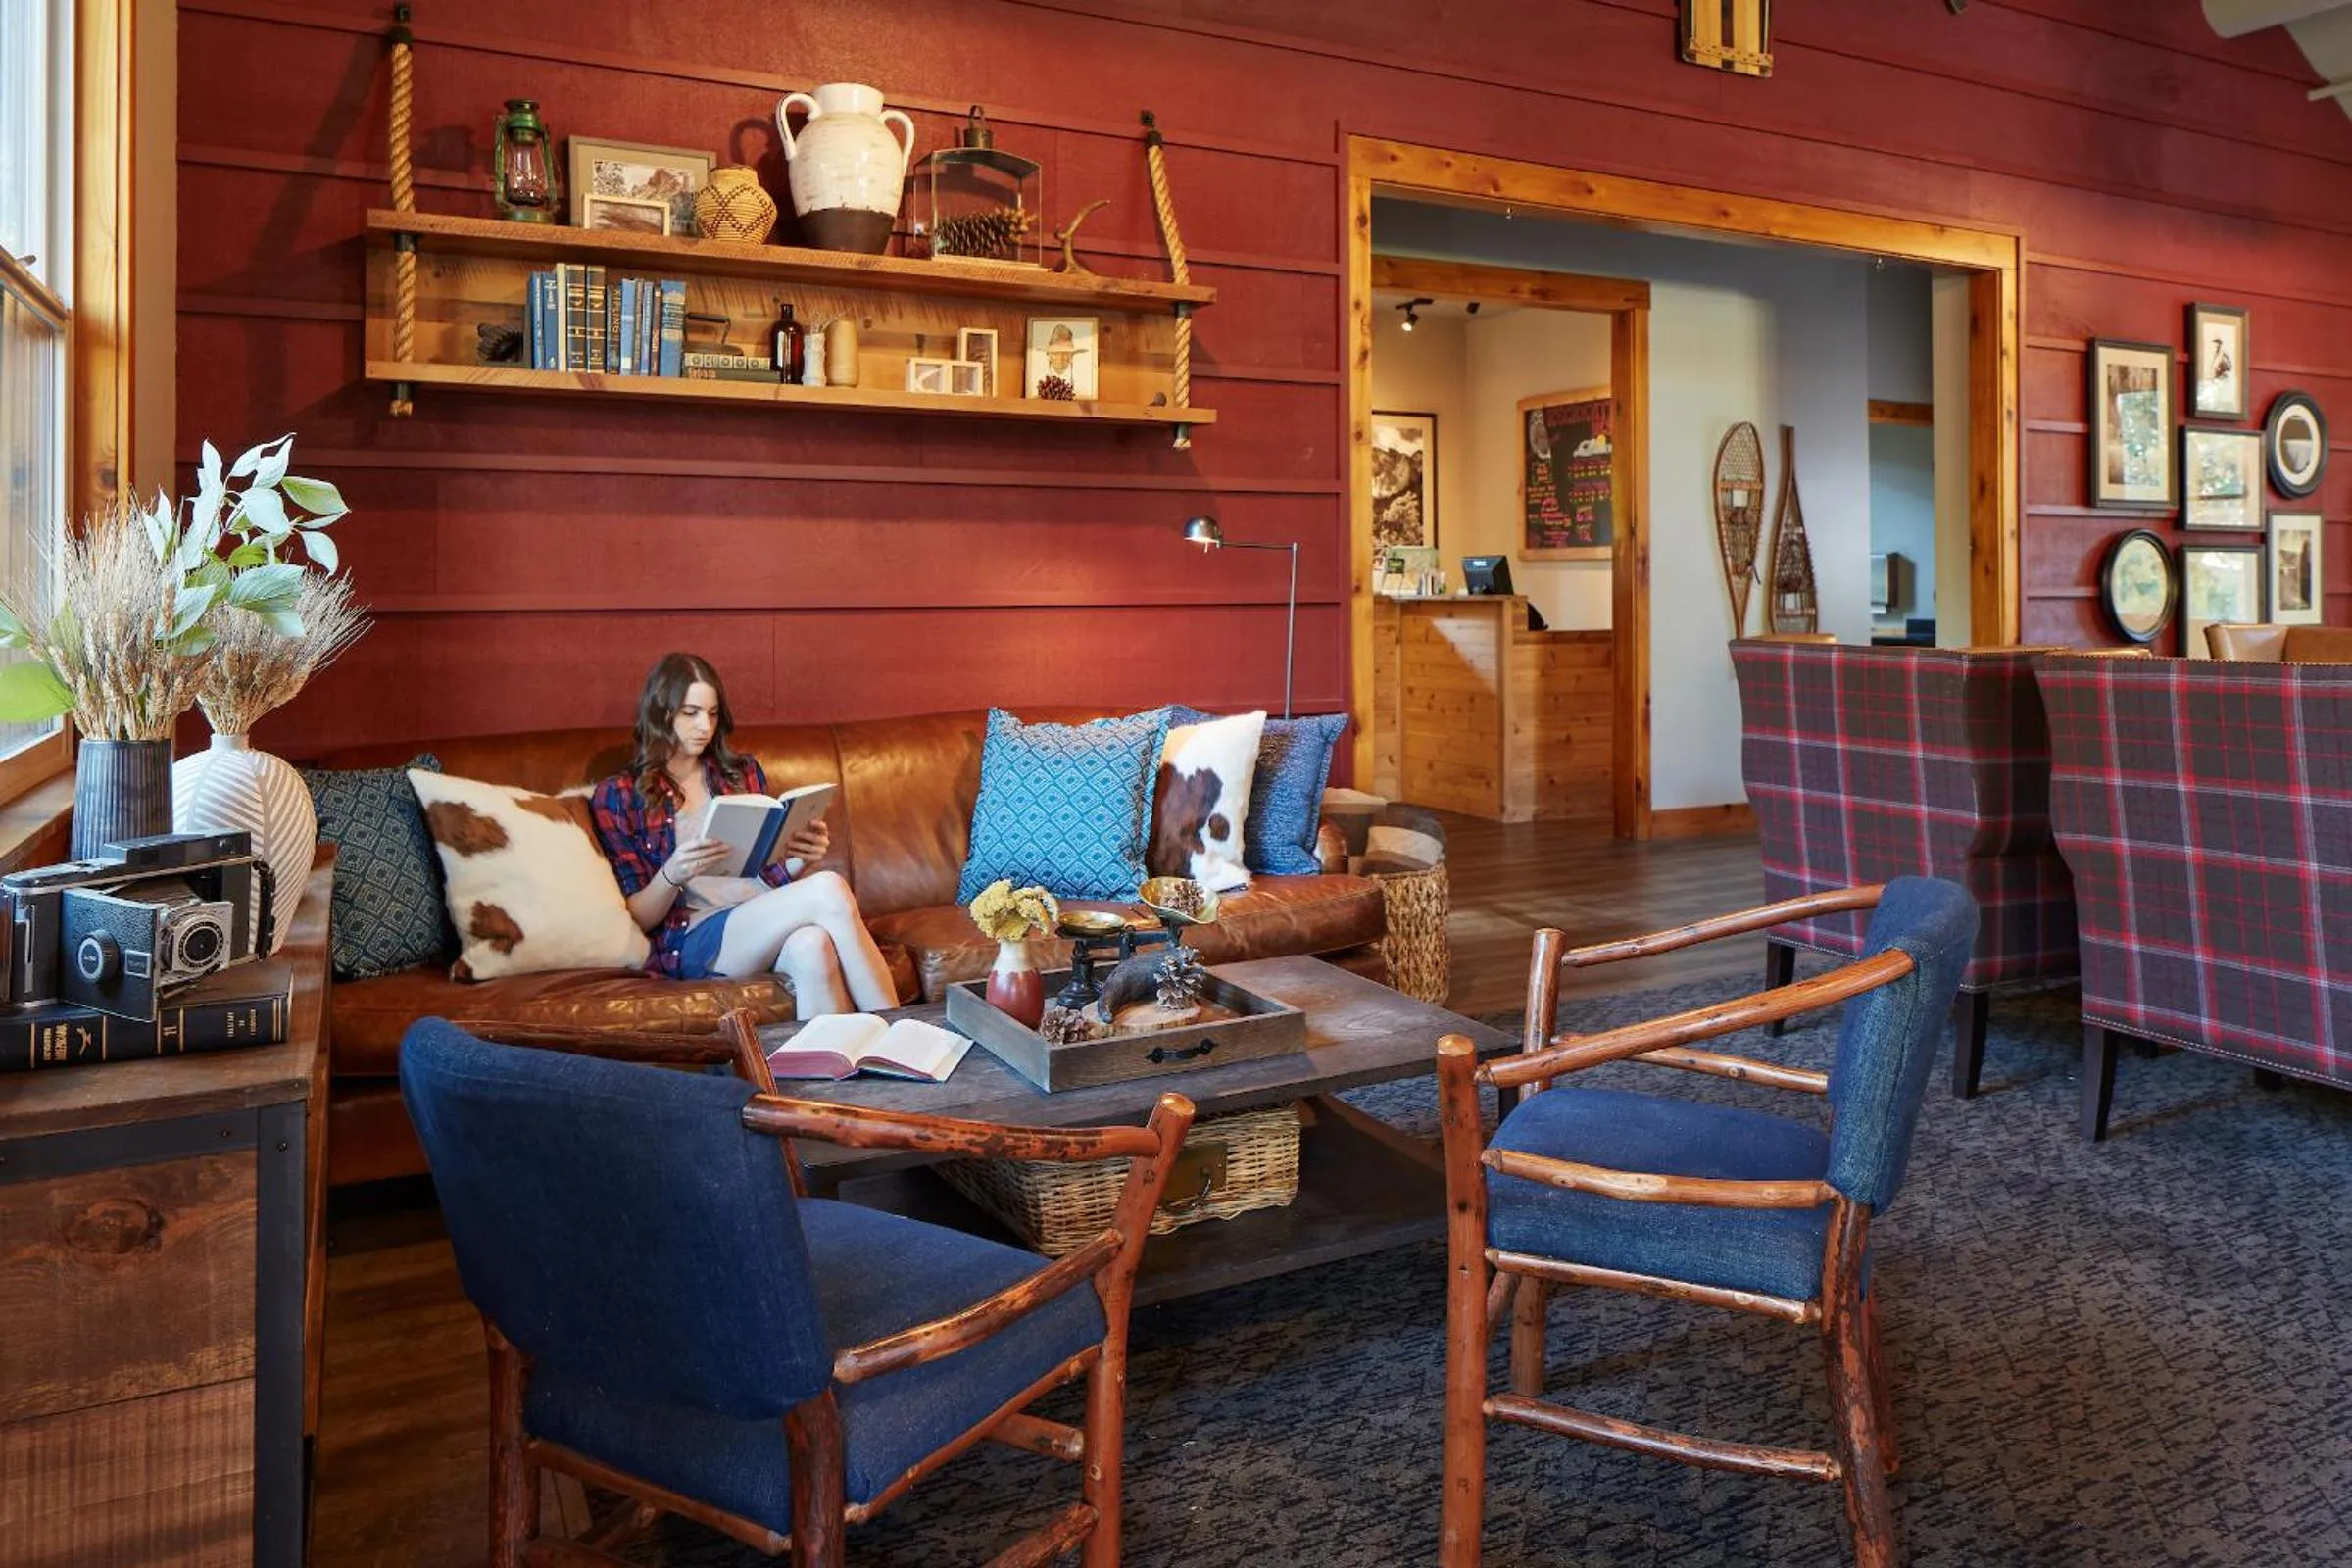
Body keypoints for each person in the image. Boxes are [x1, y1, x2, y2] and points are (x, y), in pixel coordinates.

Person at [590, 652, 897, 1014]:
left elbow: (758, 873)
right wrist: (672, 874)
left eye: (713, 713)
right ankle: (900, 1034)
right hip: (696, 935)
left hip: (758, 915)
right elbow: (638, 916)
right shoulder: (621, 795)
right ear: (661, 713)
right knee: (828, 887)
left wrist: (799, 859)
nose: (705, 726)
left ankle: (827, 1066)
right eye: (691, 713)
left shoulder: (739, 772)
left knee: (811, 946)